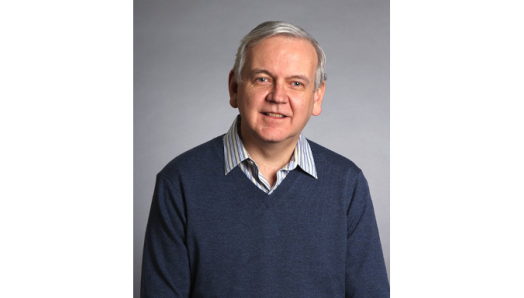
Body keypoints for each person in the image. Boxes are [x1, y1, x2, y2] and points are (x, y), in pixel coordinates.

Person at [141, 21, 390, 298]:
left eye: (296, 83)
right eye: (262, 79)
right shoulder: (179, 182)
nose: (277, 97)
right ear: (234, 88)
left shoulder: (347, 184)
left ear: (317, 97)